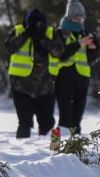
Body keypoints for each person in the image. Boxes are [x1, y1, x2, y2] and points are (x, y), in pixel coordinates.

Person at [4, 8, 66, 138]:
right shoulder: (18, 31)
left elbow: (59, 52)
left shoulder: (51, 33)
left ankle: (56, 153)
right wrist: (26, 34)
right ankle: (20, 154)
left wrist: (42, 37)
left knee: (49, 125)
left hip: (46, 88)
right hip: (21, 87)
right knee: (24, 124)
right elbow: (9, 47)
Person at [54, 0, 100, 135]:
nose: (80, 21)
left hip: (82, 79)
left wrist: (93, 49)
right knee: (64, 119)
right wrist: (80, 44)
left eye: (82, 19)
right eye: (76, 19)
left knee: (77, 121)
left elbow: (89, 59)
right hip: (64, 79)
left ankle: (74, 153)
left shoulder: (85, 33)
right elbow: (61, 55)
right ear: (69, 18)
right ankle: (54, 149)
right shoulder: (60, 34)